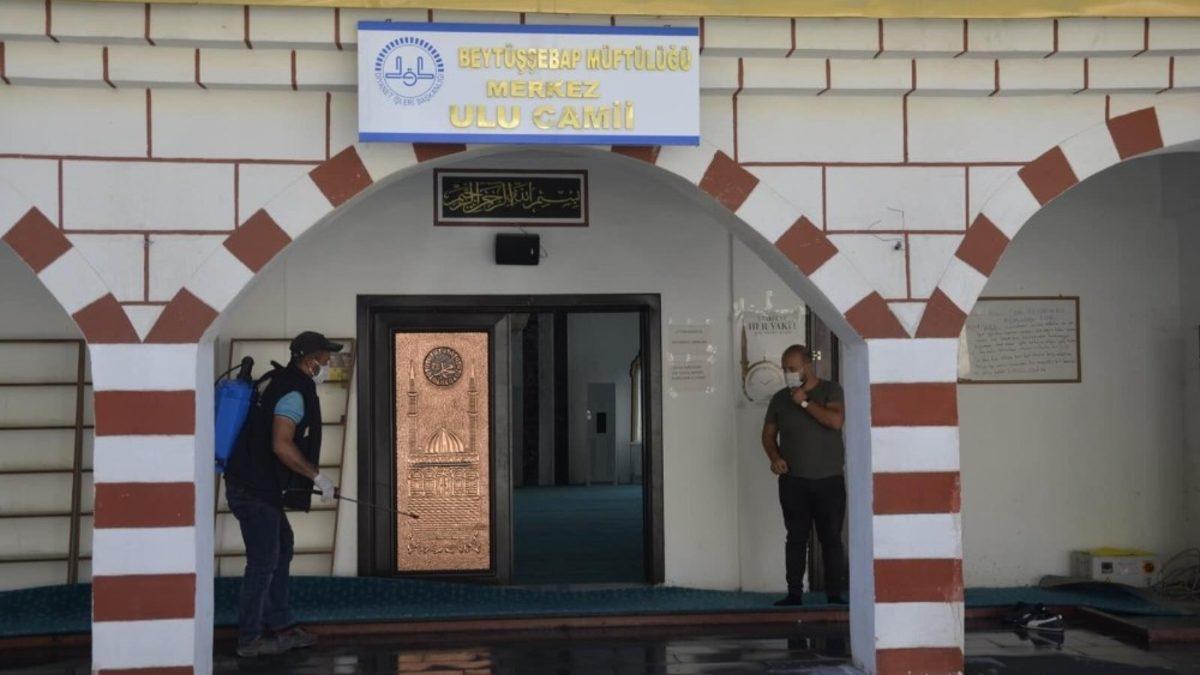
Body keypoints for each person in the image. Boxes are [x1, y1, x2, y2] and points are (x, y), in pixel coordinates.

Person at [223, 331, 342, 656]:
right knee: (263, 562)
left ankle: (281, 625)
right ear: (310, 361)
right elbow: (281, 445)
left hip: (259, 487)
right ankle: (250, 639)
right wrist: (318, 478)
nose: (328, 364)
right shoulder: (293, 393)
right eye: (324, 359)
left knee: (282, 547)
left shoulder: (278, 380)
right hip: (253, 489)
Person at [761, 344, 848, 606]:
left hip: (829, 480)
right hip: (793, 481)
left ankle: (834, 595)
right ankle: (794, 593)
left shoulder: (831, 390)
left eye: (792, 368)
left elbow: (835, 422)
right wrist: (775, 458)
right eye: (784, 368)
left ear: (808, 365)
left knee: (831, 539)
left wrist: (805, 402)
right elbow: (768, 435)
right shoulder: (779, 398)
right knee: (796, 538)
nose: (787, 373)